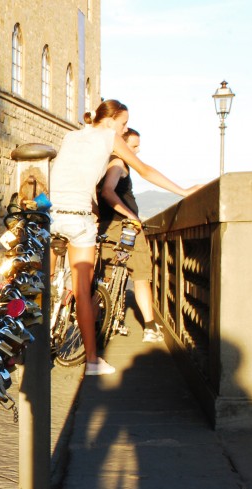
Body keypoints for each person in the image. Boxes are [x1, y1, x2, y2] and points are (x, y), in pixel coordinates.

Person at [49, 100, 200, 376]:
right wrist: (183, 191)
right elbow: (145, 170)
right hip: (78, 220)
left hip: (51, 215)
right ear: (111, 120)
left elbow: (73, 176)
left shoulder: (71, 135)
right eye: (123, 123)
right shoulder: (109, 137)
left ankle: (27, 342)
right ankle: (93, 362)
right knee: (83, 292)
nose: (125, 128)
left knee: (42, 283)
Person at [96, 128, 163, 343]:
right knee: (141, 275)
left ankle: (103, 322)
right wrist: (131, 215)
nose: (137, 150)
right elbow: (108, 191)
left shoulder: (102, 164)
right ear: (121, 145)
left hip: (106, 225)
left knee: (105, 277)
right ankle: (151, 327)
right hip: (125, 227)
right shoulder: (118, 163)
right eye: (133, 146)